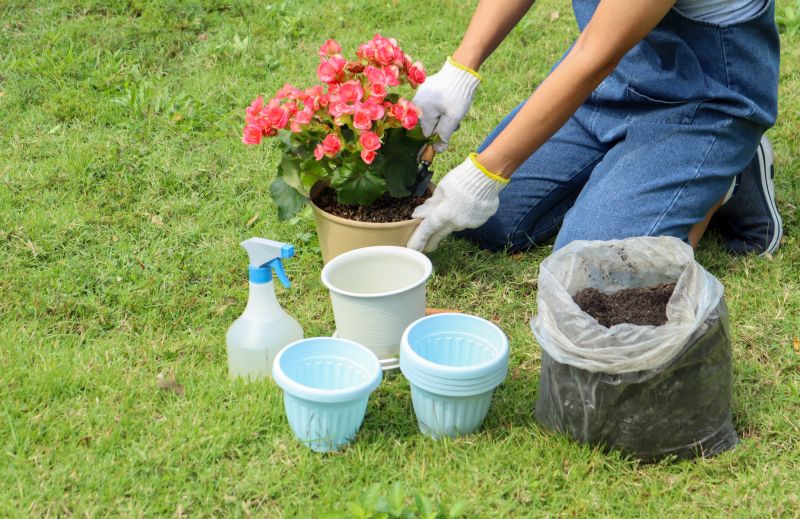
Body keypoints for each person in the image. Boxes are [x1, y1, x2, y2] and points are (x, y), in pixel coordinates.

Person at [407, 0, 782, 256]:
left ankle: (725, 174)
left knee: (595, 264)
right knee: (490, 223)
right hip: (616, 79)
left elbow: (593, 56)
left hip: (704, 102)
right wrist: (460, 71)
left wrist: (485, 174)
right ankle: (634, 174)